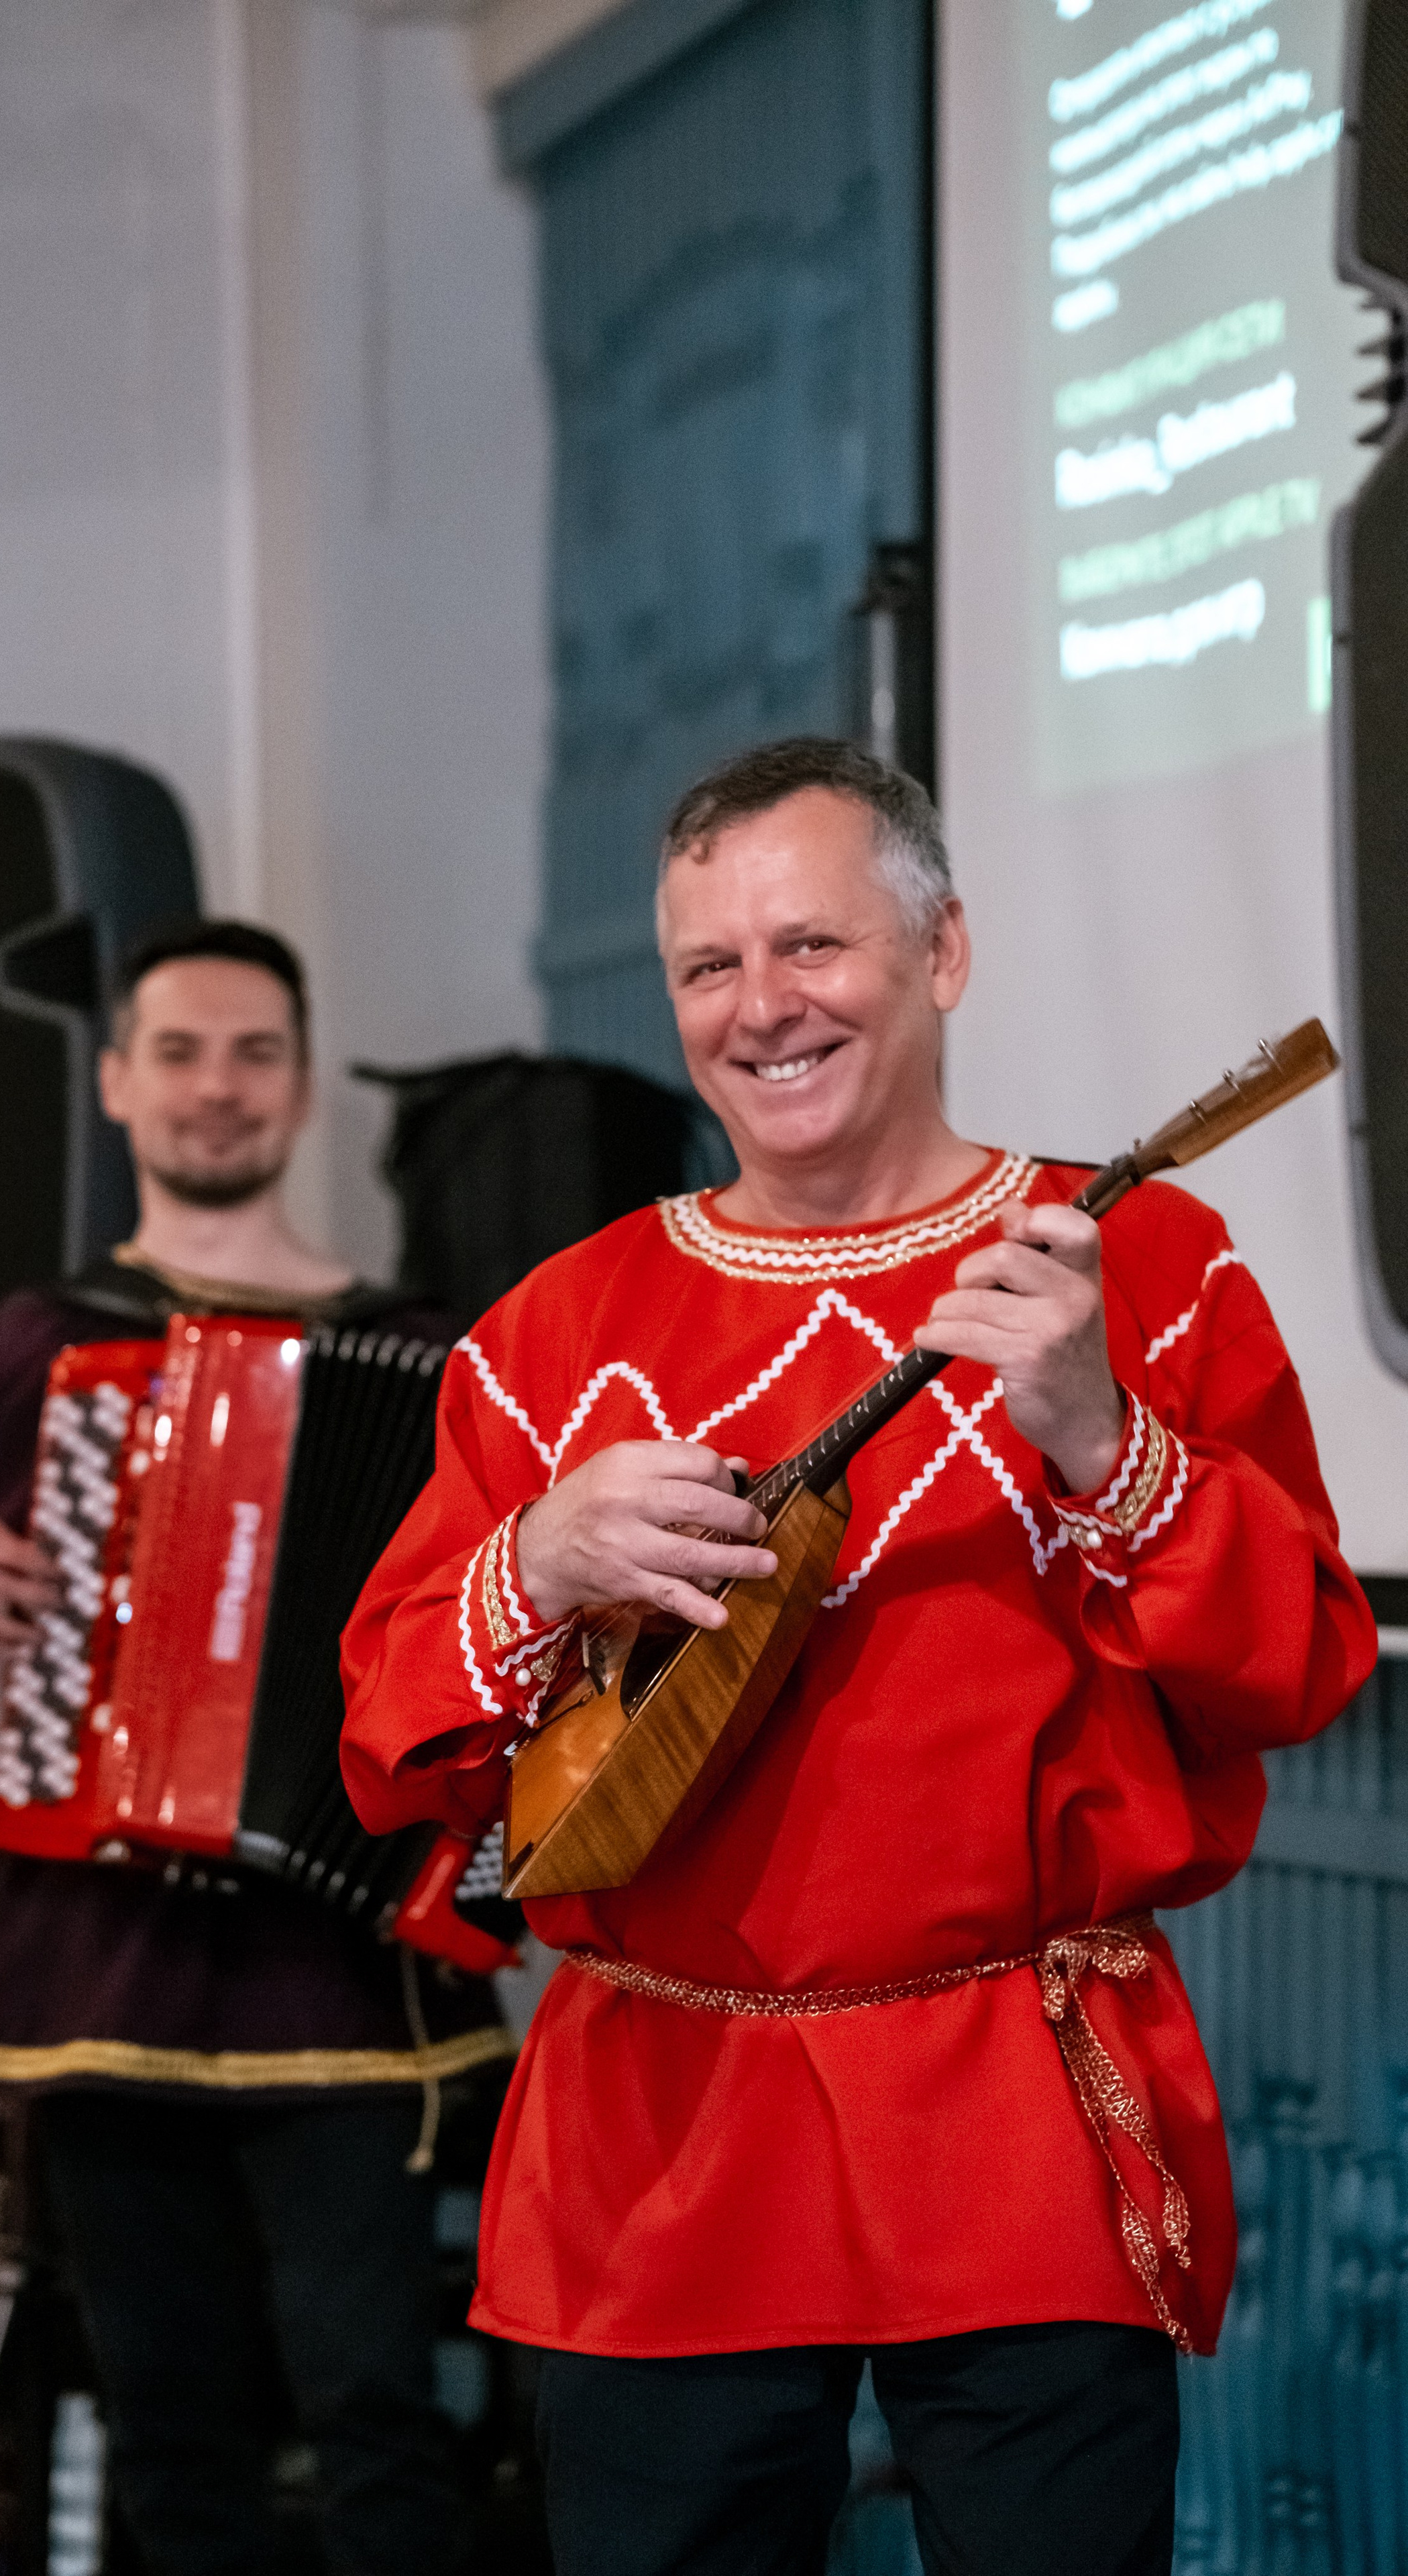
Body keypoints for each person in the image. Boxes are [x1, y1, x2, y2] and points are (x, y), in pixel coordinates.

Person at [339, 738, 1376, 2576]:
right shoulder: (552, 1332)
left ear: (943, 951)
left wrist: (1102, 1439)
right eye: (710, 967)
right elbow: (388, 1732)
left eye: (811, 945)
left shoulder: (1147, 1264)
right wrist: (539, 1558)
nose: (763, 1010)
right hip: (666, 2124)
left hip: (1019, 2103)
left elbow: (1296, 1661)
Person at [0, 920, 514, 2576]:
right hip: (100, 1985)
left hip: (340, 1992)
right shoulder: (37, 1341)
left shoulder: (428, 1351)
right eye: (176, 1050)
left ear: (304, 1086)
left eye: (254, 1051)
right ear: (113, 1083)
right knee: (171, 2434)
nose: (216, 1087)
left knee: (379, 2419)